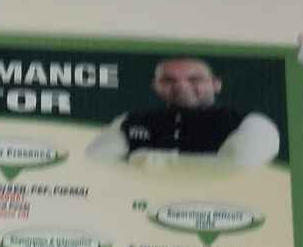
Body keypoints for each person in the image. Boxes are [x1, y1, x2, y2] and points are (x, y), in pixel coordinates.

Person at [86, 57, 280, 167]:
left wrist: (143, 158)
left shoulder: (251, 123)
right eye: (168, 80)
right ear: (156, 86)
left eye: (195, 79)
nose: (181, 86)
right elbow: (98, 163)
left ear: (216, 84)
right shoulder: (130, 120)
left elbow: (235, 167)